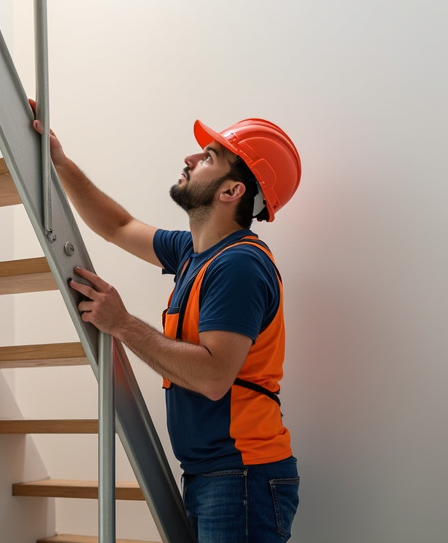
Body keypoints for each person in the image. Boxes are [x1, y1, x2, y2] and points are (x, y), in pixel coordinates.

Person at [33, 109, 302, 543]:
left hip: (242, 476)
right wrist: (59, 161)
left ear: (233, 190)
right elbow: (118, 227)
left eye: (210, 157)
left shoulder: (239, 265)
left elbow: (214, 377)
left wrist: (122, 324)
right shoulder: (195, 253)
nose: (191, 158)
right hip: (214, 474)